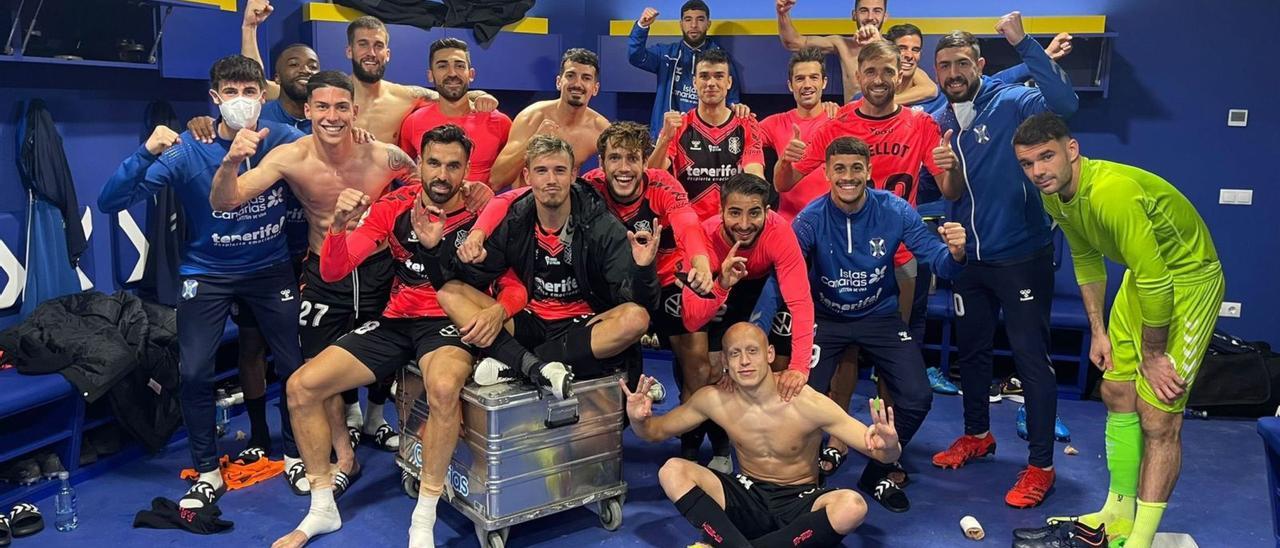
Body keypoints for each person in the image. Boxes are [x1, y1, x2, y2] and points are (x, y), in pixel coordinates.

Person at [209, 70, 491, 496]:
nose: (332, 116)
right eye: (322, 106)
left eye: (342, 107)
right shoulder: (291, 157)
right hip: (327, 272)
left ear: (354, 111)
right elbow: (225, 200)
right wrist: (230, 162)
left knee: (388, 358)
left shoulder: (385, 156)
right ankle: (346, 457)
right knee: (318, 373)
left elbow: (433, 185)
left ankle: (378, 422)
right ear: (307, 111)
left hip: (380, 267)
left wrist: (471, 189)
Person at [269, 125, 518, 548]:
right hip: (397, 318)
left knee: (442, 388)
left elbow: (515, 285)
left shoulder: (484, 215)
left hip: (448, 322)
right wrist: (338, 228)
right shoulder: (395, 204)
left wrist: (499, 310)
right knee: (301, 387)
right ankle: (322, 508)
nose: (442, 174)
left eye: (453, 166)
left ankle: (423, 520)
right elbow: (333, 270)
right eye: (434, 163)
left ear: (467, 171)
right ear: (418, 163)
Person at [98, 54, 305, 510]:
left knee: (294, 366)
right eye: (230, 92)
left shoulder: (284, 138)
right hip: (207, 273)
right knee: (193, 371)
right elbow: (111, 201)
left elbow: (334, 150)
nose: (241, 101)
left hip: (271, 269)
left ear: (262, 97)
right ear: (215, 98)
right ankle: (208, 470)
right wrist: (145, 151)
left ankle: (295, 453)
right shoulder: (190, 149)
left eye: (250, 92)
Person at [1008, 114, 1224, 548]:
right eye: (1027, 164)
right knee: (1117, 391)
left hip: (1187, 281)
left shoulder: (1111, 194)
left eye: (1046, 157)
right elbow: (1087, 259)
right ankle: (1117, 513)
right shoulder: (1054, 195)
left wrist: (1155, 356)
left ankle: (1140, 539)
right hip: (1141, 281)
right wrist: (1098, 330)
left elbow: (1160, 280)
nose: (1038, 172)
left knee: (1159, 416)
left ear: (1072, 150)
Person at [925, 13, 1079, 509]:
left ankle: (1040, 466)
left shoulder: (1012, 101)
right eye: (944, 64)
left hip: (1021, 258)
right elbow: (953, 190)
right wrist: (945, 176)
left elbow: (1065, 103)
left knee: (1032, 361)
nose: (953, 72)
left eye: (962, 63)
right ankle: (977, 435)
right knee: (971, 355)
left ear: (981, 65)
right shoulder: (945, 120)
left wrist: (1023, 40)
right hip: (971, 259)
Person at [462, 122, 716, 402]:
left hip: (660, 280)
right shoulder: (589, 185)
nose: (623, 168)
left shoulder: (662, 184)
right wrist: (478, 232)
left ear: (646, 161)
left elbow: (688, 225)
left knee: (697, 364)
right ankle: (554, 367)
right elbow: (513, 197)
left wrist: (700, 262)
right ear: (602, 163)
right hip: (610, 286)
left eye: (632, 158)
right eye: (615, 158)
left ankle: (690, 443)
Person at [785, 136, 970, 512]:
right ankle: (804, 478)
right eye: (840, 169)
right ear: (826, 173)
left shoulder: (896, 210)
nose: (848, 177)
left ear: (869, 171)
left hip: (880, 316)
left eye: (856, 168)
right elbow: (785, 271)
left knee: (918, 397)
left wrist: (957, 254)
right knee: (800, 397)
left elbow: (938, 261)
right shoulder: (809, 218)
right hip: (827, 318)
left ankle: (879, 468)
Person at [422, 135, 657, 400]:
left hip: (582, 330)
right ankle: (535, 367)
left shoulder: (602, 226)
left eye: (559, 170)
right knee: (449, 293)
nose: (551, 180)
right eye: (541, 171)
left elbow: (633, 303)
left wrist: (643, 270)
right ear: (527, 176)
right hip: (528, 322)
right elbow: (469, 280)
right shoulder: (515, 221)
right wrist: (434, 251)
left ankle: (517, 364)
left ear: (573, 174)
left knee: (637, 318)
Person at [625, 322, 898, 546]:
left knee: (852, 506)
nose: (744, 361)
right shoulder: (714, 399)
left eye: (752, 351)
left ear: (769, 354)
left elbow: (880, 451)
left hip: (799, 502)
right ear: (724, 361)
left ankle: (729, 543)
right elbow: (654, 432)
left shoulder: (806, 402)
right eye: (735, 354)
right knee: (672, 470)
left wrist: (889, 445)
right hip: (747, 495)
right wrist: (638, 419)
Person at [648, 47, 764, 221]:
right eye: (704, 76)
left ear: (729, 82)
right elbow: (652, 174)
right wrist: (664, 139)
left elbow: (755, 174)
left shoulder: (746, 123)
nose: (711, 83)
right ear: (694, 82)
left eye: (718, 76)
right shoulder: (678, 126)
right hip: (689, 225)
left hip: (732, 226)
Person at [341, 15, 497, 143]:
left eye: (378, 46)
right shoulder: (332, 96)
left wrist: (482, 96)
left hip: (387, 181)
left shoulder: (405, 96)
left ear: (387, 54)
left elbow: (449, 96)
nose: (372, 53)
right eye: (363, 44)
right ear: (349, 51)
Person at [398, 38, 513, 189]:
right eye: (442, 66)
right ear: (430, 75)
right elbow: (401, 171)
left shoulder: (500, 122)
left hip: (487, 211)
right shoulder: (413, 122)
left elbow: (516, 172)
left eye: (459, 65)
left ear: (471, 74)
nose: (452, 73)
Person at [490, 48, 612, 188]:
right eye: (571, 75)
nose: (577, 84)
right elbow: (496, 180)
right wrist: (533, 142)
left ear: (595, 88)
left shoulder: (600, 130)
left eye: (586, 78)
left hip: (566, 204)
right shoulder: (531, 118)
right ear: (559, 82)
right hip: (525, 203)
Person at [776, 0, 937, 105]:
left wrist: (877, 103)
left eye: (877, 11)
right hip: (852, 124)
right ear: (854, 15)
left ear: (885, 16)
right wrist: (783, 14)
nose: (870, 17)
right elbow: (793, 43)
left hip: (886, 125)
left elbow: (930, 89)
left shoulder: (893, 51)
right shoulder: (841, 44)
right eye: (864, 11)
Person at [628, 1, 743, 139]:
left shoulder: (721, 59)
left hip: (704, 140)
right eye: (688, 19)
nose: (694, 25)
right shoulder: (666, 54)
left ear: (708, 24)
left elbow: (732, 100)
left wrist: (737, 108)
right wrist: (642, 26)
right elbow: (635, 57)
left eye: (700, 19)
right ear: (681, 24)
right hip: (666, 136)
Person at [757, 47, 839, 222]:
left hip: (833, 224)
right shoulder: (774, 123)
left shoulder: (840, 120)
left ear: (824, 82)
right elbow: (739, 135)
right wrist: (739, 111)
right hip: (790, 225)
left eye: (813, 77)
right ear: (790, 85)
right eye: (800, 79)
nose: (807, 85)